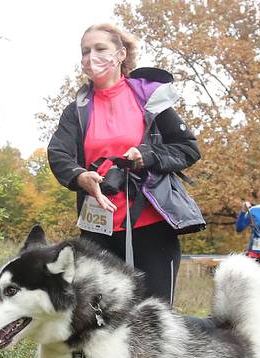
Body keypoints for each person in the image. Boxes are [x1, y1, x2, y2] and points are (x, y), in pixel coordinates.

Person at [47, 23, 203, 304]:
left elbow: (188, 149)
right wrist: (80, 176)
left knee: (153, 320)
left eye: (100, 49)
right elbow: (58, 154)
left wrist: (148, 156)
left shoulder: (150, 98)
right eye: (85, 51)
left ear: (120, 54)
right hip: (98, 228)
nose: (90, 57)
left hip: (151, 224)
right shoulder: (77, 109)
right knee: (99, 321)